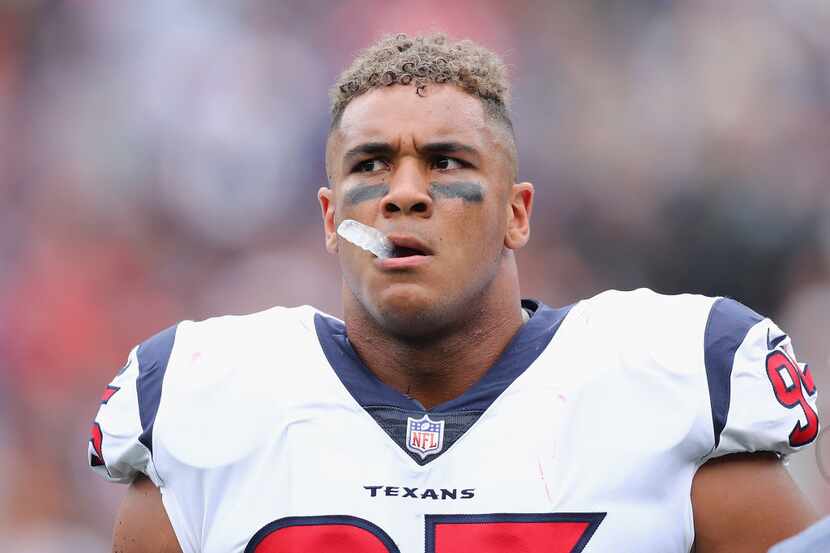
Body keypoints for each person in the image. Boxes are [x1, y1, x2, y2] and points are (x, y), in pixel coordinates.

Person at [88, 33, 821, 553]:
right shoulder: (206, 397)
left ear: (516, 212)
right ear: (329, 220)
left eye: (445, 162)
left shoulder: (668, 381)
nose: (404, 194)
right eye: (372, 164)